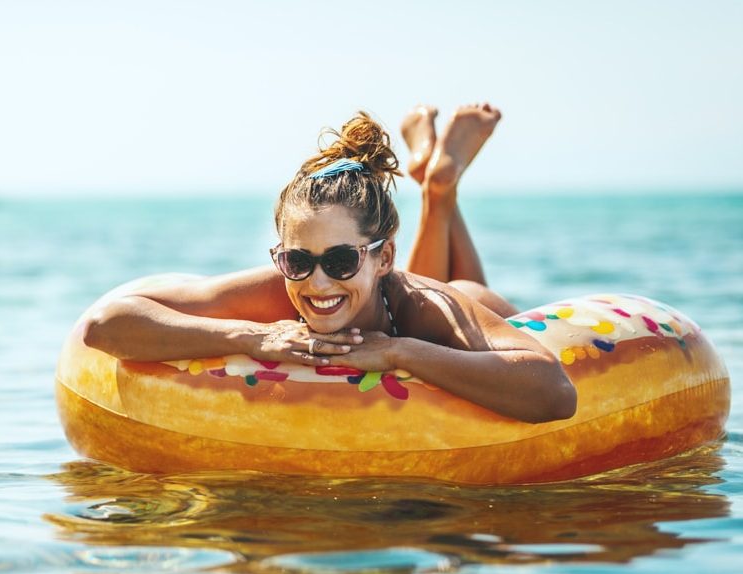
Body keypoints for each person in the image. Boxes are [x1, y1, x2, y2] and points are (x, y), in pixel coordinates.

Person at [83, 104, 576, 423]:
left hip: (460, 303)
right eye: (297, 259)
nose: (317, 281)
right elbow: (105, 325)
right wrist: (251, 336)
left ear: (383, 256)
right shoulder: (277, 292)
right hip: (398, 297)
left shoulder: (428, 305)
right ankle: (437, 182)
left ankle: (439, 188)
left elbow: (554, 392)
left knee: (461, 287)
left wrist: (398, 352)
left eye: (340, 260)